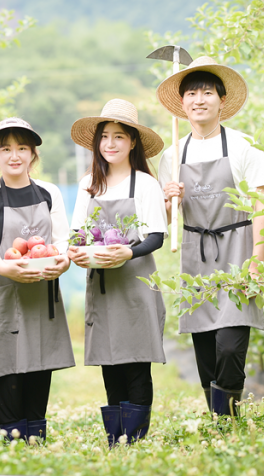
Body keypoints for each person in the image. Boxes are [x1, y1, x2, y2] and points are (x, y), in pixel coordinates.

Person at [156, 56, 264, 416]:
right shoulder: (173, 155)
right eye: (191, 93)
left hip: (237, 250)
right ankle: (218, 418)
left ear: (222, 100)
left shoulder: (243, 146)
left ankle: (228, 415)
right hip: (196, 252)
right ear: (182, 103)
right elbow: (166, 220)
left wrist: (257, 261)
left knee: (231, 344)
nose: (199, 99)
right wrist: (169, 199)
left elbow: (263, 207)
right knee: (205, 345)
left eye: (207, 92)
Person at [67, 99, 168, 446]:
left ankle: (135, 439)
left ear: (133, 142)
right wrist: (77, 252)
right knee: (110, 361)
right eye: (104, 137)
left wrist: (127, 251)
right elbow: (77, 234)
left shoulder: (145, 184)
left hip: (136, 283)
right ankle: (116, 438)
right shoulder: (88, 184)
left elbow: (156, 235)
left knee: (137, 361)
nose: (110, 144)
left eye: (119, 137)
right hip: (103, 283)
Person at [0, 118, 75, 442]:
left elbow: (62, 241)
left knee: (38, 362)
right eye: (6, 149)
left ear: (33, 154)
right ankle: (10, 437)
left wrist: (62, 261)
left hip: (40, 288)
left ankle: (35, 437)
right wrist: (5, 268)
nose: (14, 156)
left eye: (21, 148)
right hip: (1, 290)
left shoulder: (48, 192)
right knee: (5, 363)